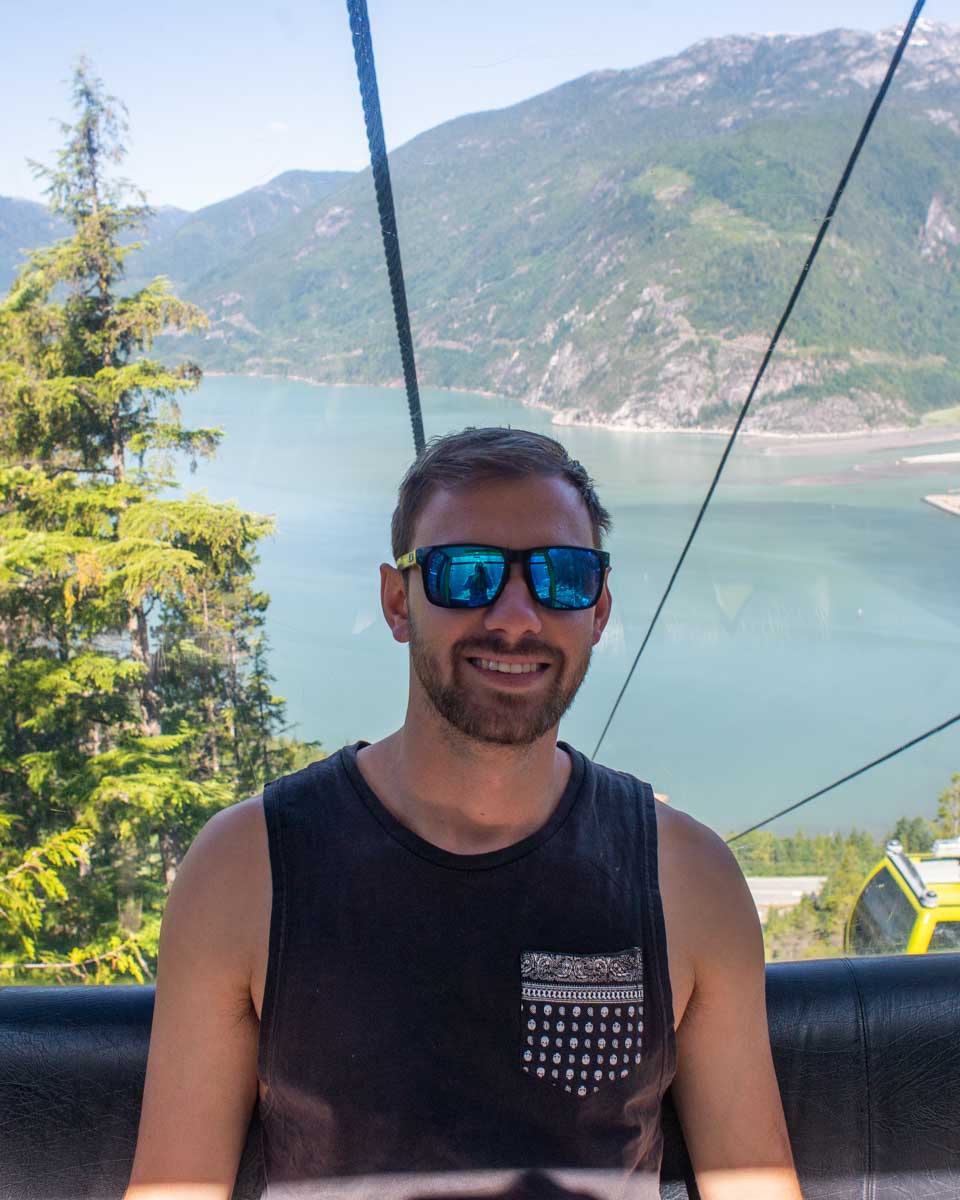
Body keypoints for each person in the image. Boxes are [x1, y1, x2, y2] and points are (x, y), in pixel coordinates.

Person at [125, 427, 803, 1200]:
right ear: (397, 601)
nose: (517, 616)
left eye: (562, 576)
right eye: (467, 573)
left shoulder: (687, 881)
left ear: (600, 610)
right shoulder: (248, 870)